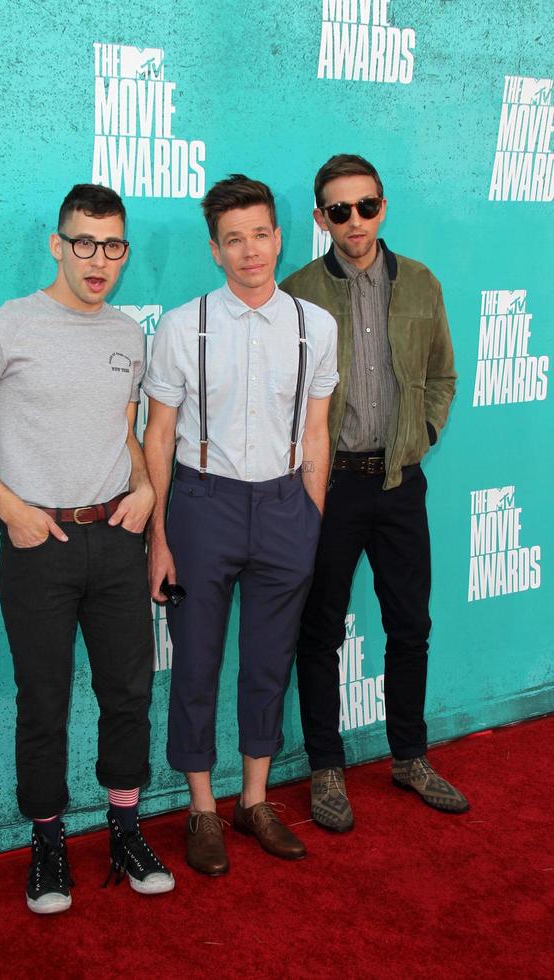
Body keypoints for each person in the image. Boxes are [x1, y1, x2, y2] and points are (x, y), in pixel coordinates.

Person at [0, 183, 174, 913]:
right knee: (44, 701)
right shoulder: (6, 327)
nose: (99, 261)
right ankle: (48, 841)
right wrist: (13, 511)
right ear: (57, 245)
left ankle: (125, 827)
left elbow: (121, 433)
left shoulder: (129, 333)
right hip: (39, 547)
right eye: (84, 243)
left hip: (117, 541)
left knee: (127, 692)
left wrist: (147, 490)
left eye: (114, 246)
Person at [143, 174, 338, 875]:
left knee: (269, 663)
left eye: (260, 234)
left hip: (287, 507)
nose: (250, 250)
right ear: (215, 250)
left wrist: (310, 519)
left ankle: (255, 800)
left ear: (280, 236)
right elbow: (157, 435)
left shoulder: (316, 326)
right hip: (202, 507)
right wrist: (159, 534)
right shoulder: (181, 326)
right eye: (234, 239)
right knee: (194, 664)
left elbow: (316, 432)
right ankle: (200, 808)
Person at [280, 154, 468, 832]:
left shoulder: (419, 282)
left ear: (382, 207)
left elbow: (444, 373)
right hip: (330, 487)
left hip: (399, 481)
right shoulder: (297, 289)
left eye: (365, 206)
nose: (353, 221)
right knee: (320, 628)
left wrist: (422, 430)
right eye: (338, 209)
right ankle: (326, 767)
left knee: (410, 625)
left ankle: (409, 756)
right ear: (320, 217)